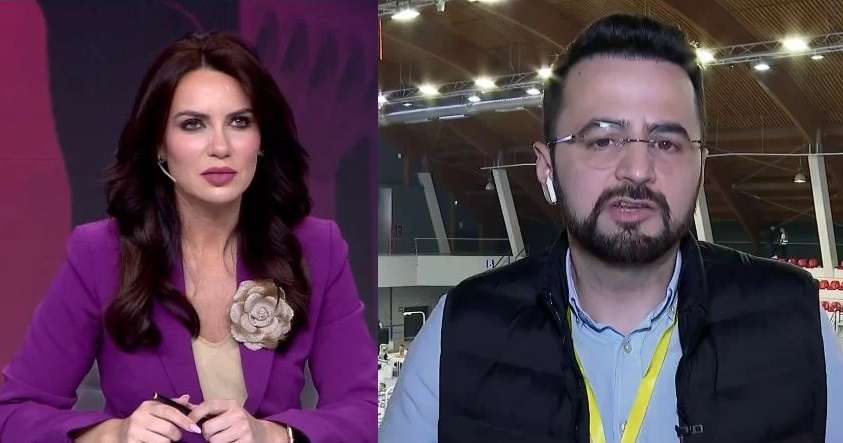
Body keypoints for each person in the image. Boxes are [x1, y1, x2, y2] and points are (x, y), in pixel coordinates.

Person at [380, 14, 843, 443]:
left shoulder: (796, 326)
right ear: (546, 166)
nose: (638, 169)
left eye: (666, 142)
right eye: (602, 140)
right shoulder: (459, 335)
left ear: (701, 165)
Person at [0, 32, 376, 443]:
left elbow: (363, 410)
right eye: (193, 124)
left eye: (239, 122)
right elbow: (14, 413)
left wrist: (274, 435)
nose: (220, 146)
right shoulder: (100, 253)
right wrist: (110, 434)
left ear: (261, 140)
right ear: (159, 145)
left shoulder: (317, 247)